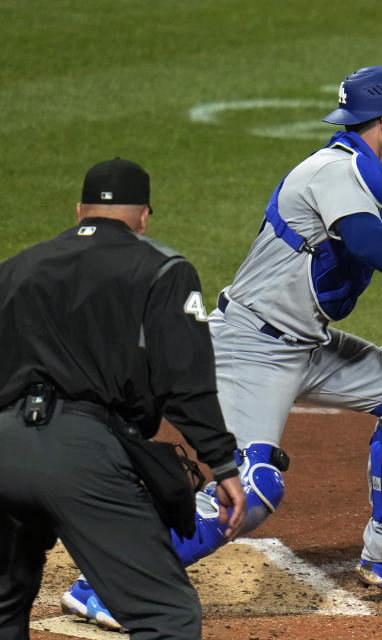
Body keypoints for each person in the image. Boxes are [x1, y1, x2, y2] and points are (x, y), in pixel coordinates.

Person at [62, 63, 382, 615]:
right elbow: (369, 241)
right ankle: (104, 585)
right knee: (252, 492)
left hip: (306, 344)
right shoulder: (332, 171)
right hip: (250, 346)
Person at [0, 158, 246, 639]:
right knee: (166, 616)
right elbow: (185, 380)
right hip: (79, 455)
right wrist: (222, 463)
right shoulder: (162, 269)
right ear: (143, 217)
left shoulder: (15, 269)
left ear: (79, 211)